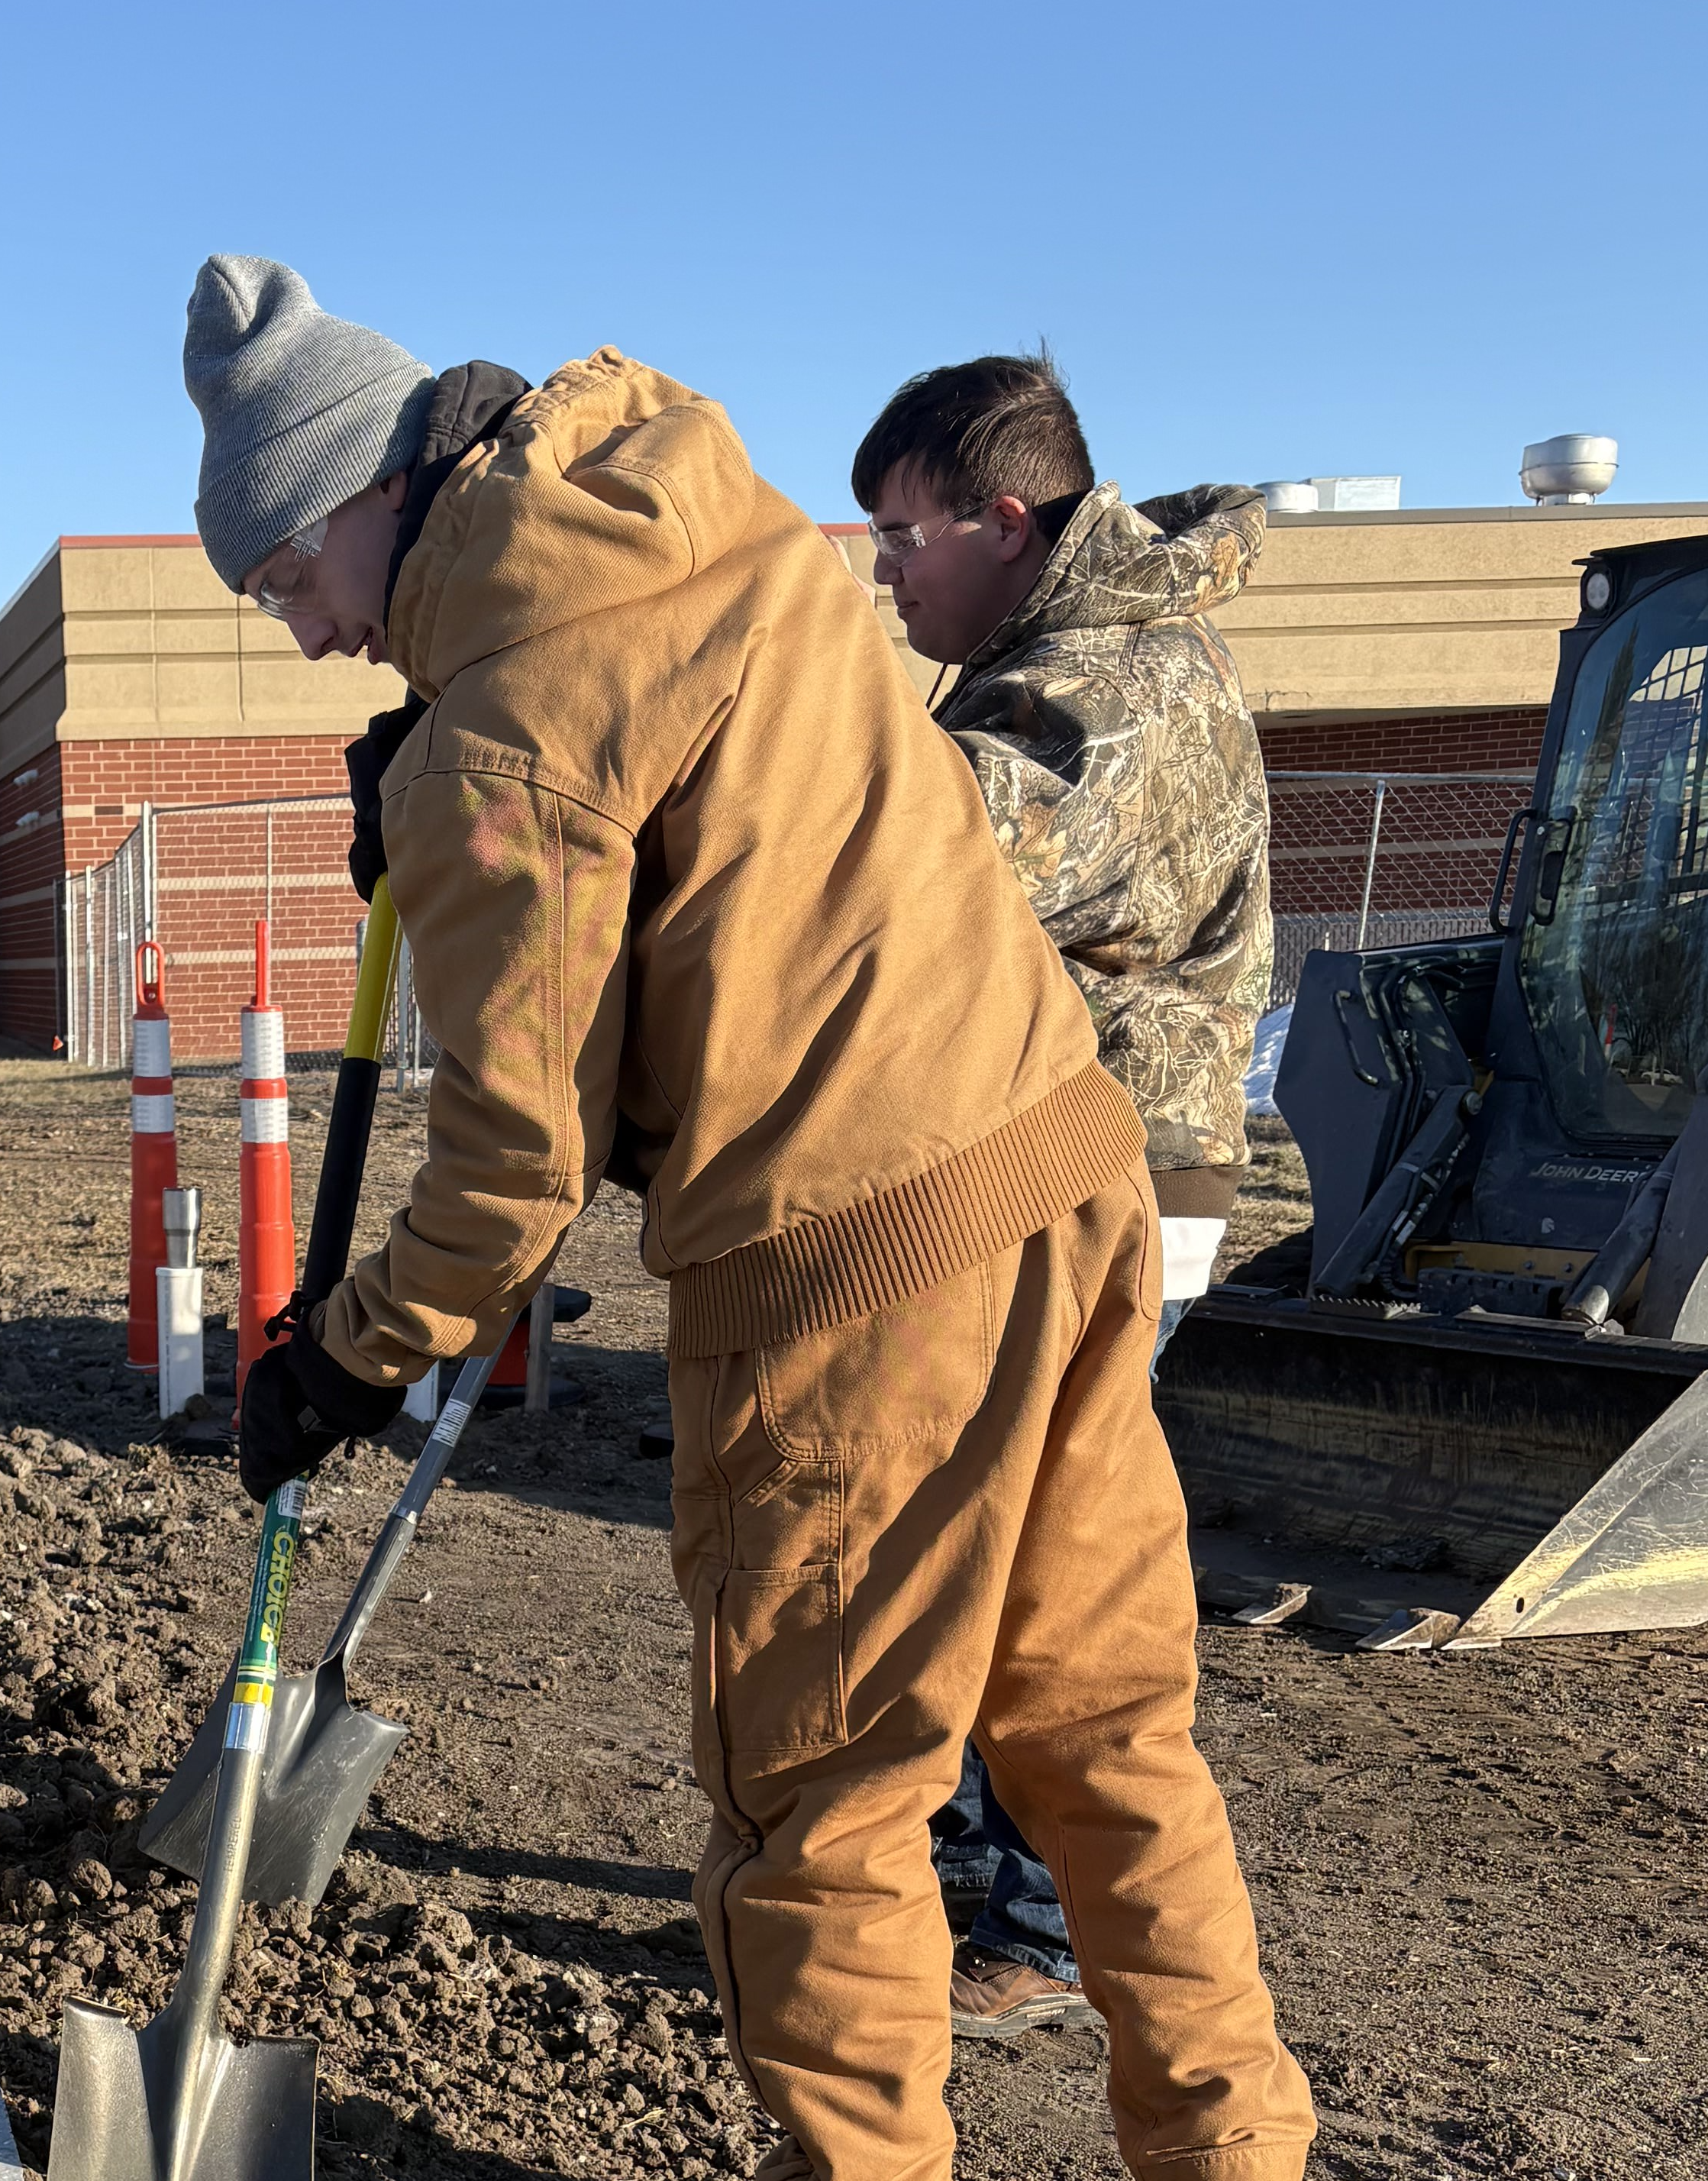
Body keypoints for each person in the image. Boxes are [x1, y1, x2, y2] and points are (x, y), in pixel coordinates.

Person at [196, 257, 1313, 2181]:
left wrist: (348, 1350)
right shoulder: (719, 524)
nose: (307, 638)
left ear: (365, 500)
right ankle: (1235, 2154)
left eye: (290, 583)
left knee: (827, 1803)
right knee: (1108, 1741)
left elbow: (511, 1176)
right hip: (1070, 1172)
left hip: (850, 1272)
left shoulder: (503, 733)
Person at [851, 355, 1273, 2040]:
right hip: (1039, 1160)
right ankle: (959, 1879)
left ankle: (1020, 1921)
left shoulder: (1113, 686)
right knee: (967, 1524)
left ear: (1003, 518)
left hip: (1097, 1174)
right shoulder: (1053, 660)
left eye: (901, 533)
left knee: (1029, 1556)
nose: (884, 571)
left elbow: (921, 853)